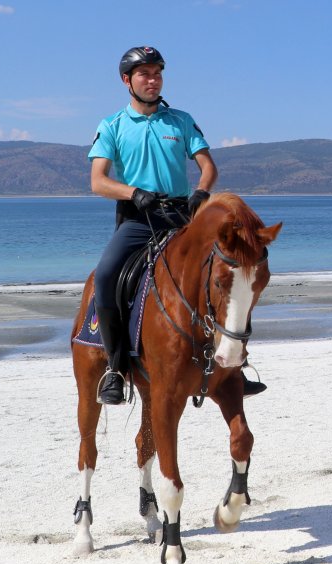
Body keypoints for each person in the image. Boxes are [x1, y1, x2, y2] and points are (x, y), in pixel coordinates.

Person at [88, 46, 264, 405]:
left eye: (157, 74)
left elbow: (208, 166)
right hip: (139, 219)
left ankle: (235, 366)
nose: (152, 80)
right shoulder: (112, 126)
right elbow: (98, 181)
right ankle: (116, 367)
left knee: (228, 273)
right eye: (144, 74)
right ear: (127, 81)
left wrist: (201, 192)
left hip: (183, 218)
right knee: (106, 276)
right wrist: (134, 193)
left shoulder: (181, 121)